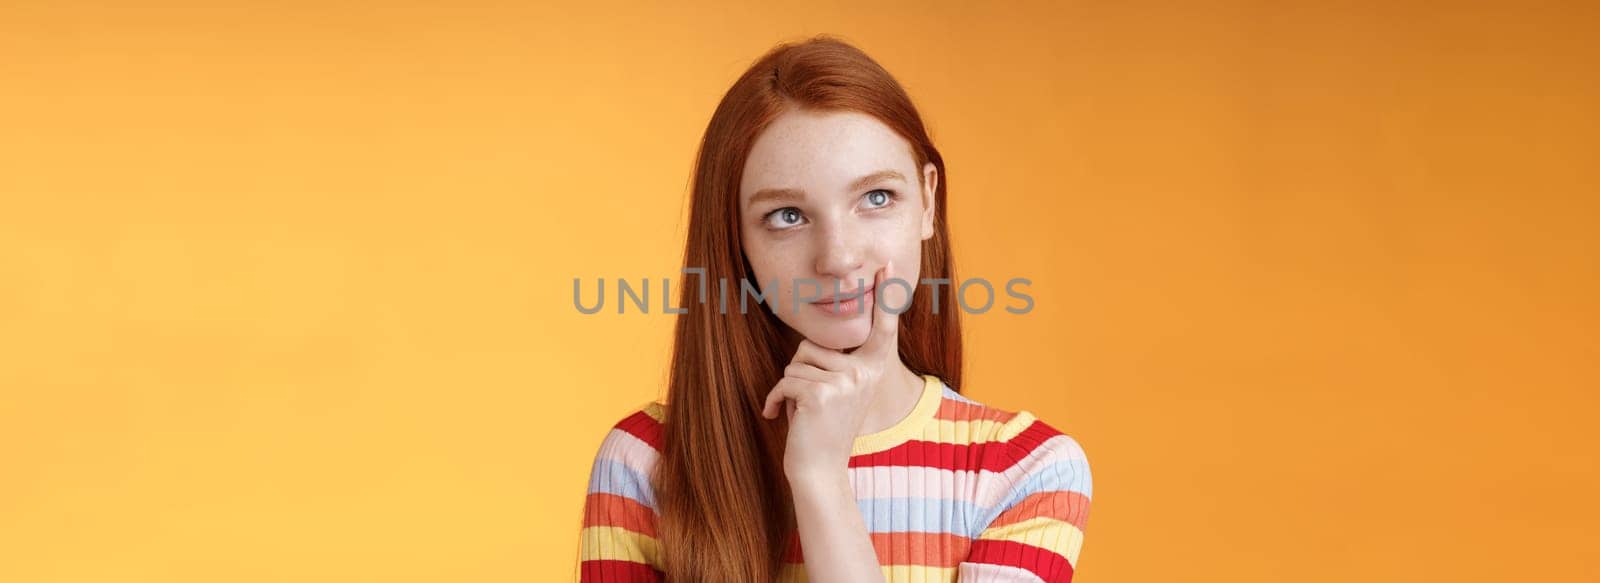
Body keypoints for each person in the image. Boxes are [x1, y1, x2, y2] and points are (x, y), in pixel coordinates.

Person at [576, 34, 1092, 582]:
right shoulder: (646, 462)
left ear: (927, 203)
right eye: (787, 215)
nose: (838, 258)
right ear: (736, 240)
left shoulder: (1025, 468)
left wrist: (821, 481)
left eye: (876, 198)